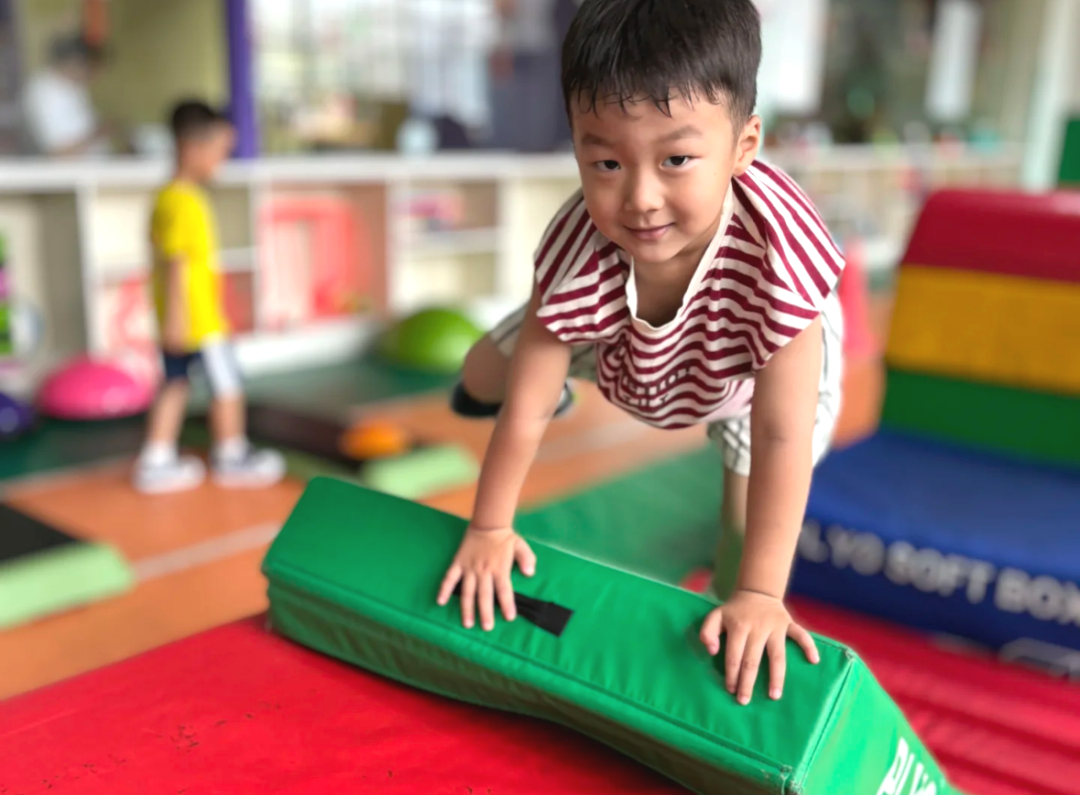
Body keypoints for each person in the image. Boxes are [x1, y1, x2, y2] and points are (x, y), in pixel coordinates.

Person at [437, 0, 845, 707]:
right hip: (621, 339)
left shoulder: (779, 263)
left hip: (745, 370)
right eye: (605, 162)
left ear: (745, 145)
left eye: (676, 160)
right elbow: (523, 408)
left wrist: (760, 594)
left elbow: (783, 434)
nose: (641, 198)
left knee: (745, 528)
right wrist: (490, 528)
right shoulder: (580, 245)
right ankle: (567, 387)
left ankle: (731, 614)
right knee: (483, 373)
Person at [133, 101, 284, 495]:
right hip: (199, 322)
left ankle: (156, 460)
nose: (223, 161)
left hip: (181, 317)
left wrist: (170, 319)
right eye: (219, 151)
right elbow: (177, 265)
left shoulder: (166, 197)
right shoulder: (185, 202)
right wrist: (179, 320)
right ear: (191, 148)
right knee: (228, 385)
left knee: (175, 383)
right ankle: (232, 455)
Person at [22, 33, 111, 157]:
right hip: (75, 169)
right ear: (74, 64)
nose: (93, 76)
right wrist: (99, 134)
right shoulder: (47, 95)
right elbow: (60, 154)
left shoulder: (71, 84)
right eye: (90, 69)